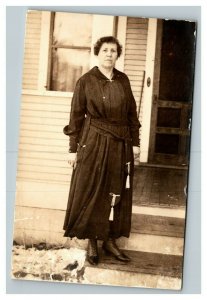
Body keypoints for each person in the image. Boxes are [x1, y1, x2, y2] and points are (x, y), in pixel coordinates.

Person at [63, 36, 141, 265]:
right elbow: (76, 117)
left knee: (117, 190)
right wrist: (72, 149)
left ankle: (110, 240)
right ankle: (93, 243)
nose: (109, 54)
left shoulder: (123, 80)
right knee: (94, 191)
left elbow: (132, 116)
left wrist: (135, 143)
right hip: (93, 143)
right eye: (105, 50)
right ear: (98, 53)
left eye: (113, 51)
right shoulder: (86, 81)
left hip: (120, 145)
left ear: (118, 55)